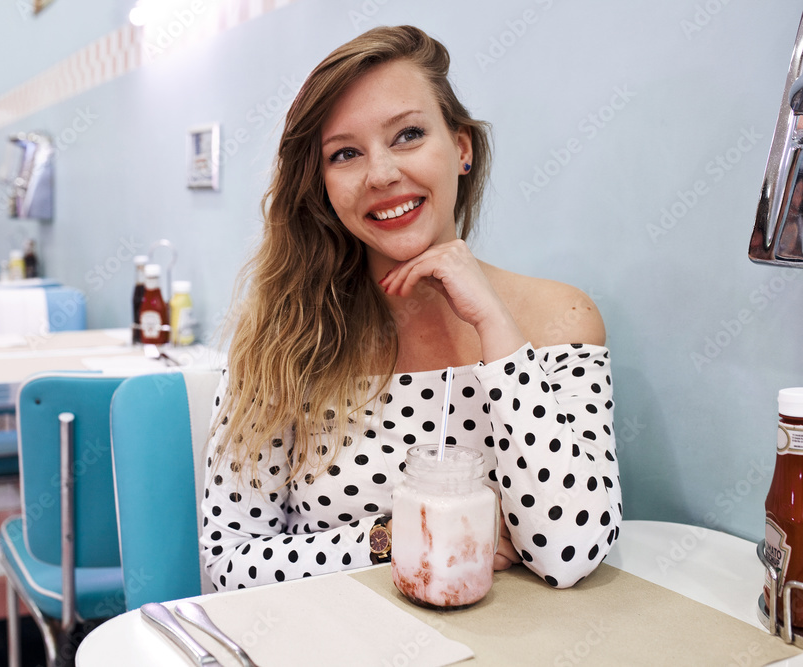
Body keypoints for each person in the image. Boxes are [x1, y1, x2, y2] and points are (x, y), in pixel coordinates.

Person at [200, 25, 620, 592]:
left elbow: (570, 549)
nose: (380, 174)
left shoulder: (560, 318)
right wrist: (397, 535)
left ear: (462, 148)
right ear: (322, 184)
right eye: (345, 153)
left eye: (408, 135)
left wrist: (495, 326)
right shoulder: (281, 340)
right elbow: (231, 559)